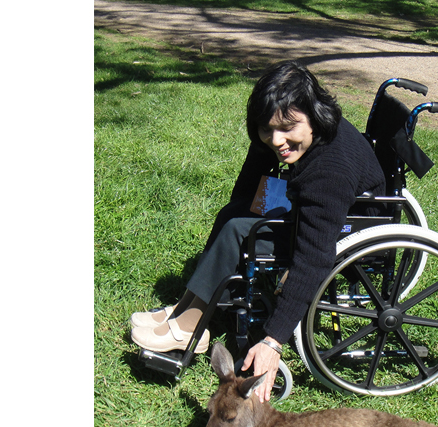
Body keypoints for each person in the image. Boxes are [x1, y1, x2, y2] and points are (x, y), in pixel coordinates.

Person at [129, 61, 386, 403]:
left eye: (287, 128)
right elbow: (250, 183)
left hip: (345, 230)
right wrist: (242, 201)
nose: (277, 141)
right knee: (235, 215)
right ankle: (187, 310)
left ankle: (191, 325)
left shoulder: (329, 172)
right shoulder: (299, 132)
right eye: (267, 129)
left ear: (312, 114)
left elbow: (314, 259)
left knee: (239, 231)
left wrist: (273, 340)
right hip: (312, 207)